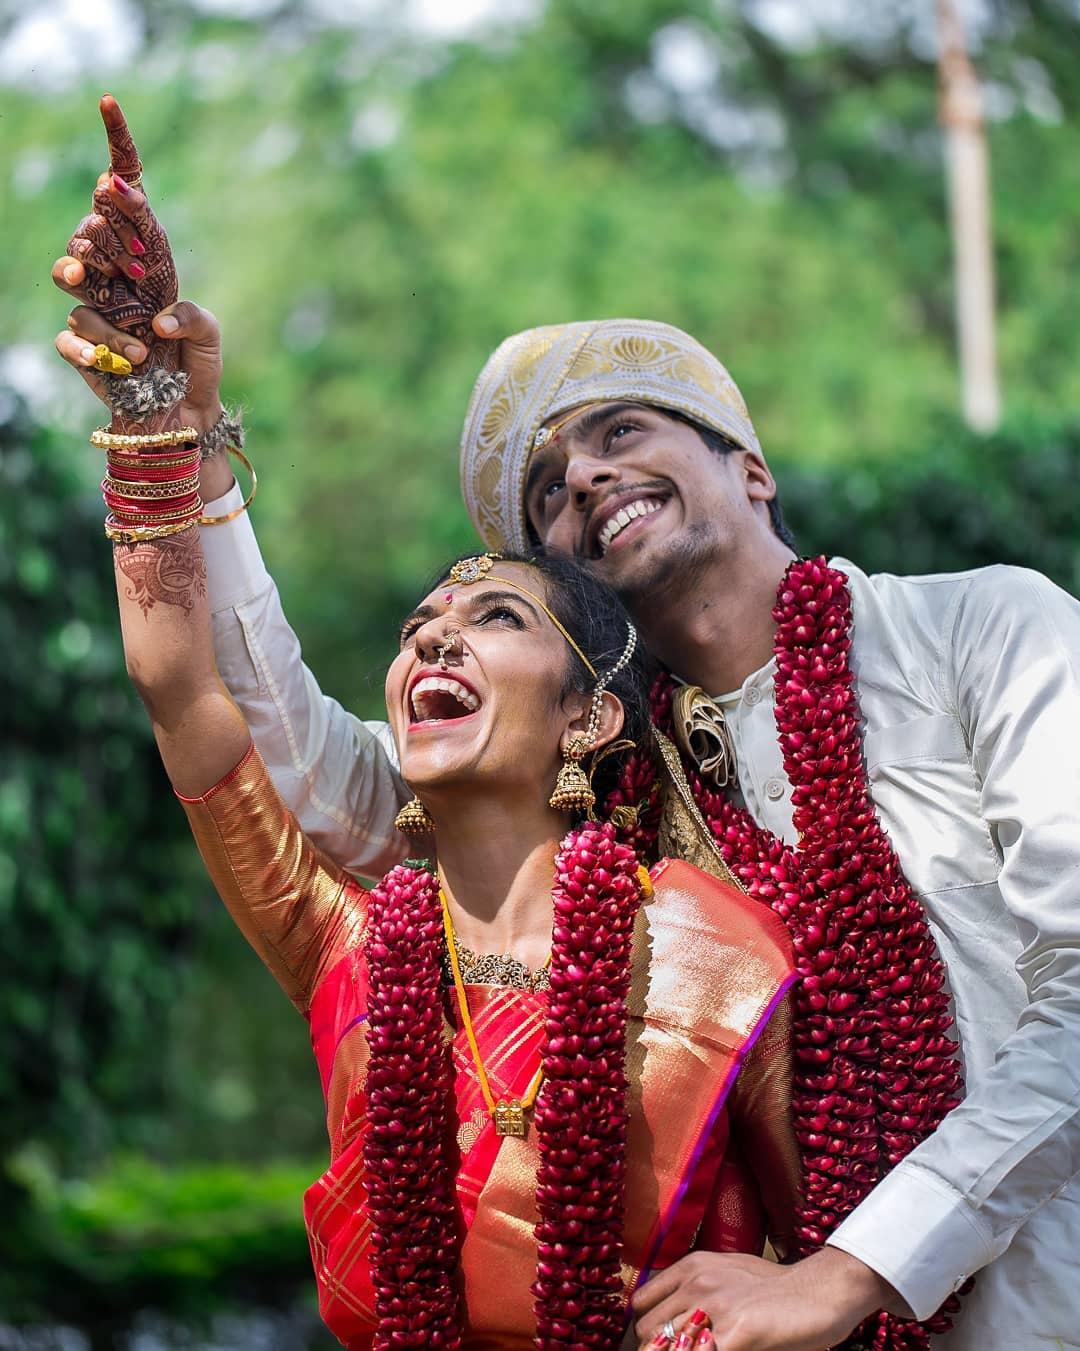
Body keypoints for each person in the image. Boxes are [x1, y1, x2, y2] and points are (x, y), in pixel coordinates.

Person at [53, 106, 1080, 1351]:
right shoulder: (589, 791)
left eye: (622, 432)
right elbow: (307, 760)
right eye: (548, 489)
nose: (586, 477)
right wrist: (179, 432)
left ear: (751, 467)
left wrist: (849, 1273)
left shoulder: (988, 632)